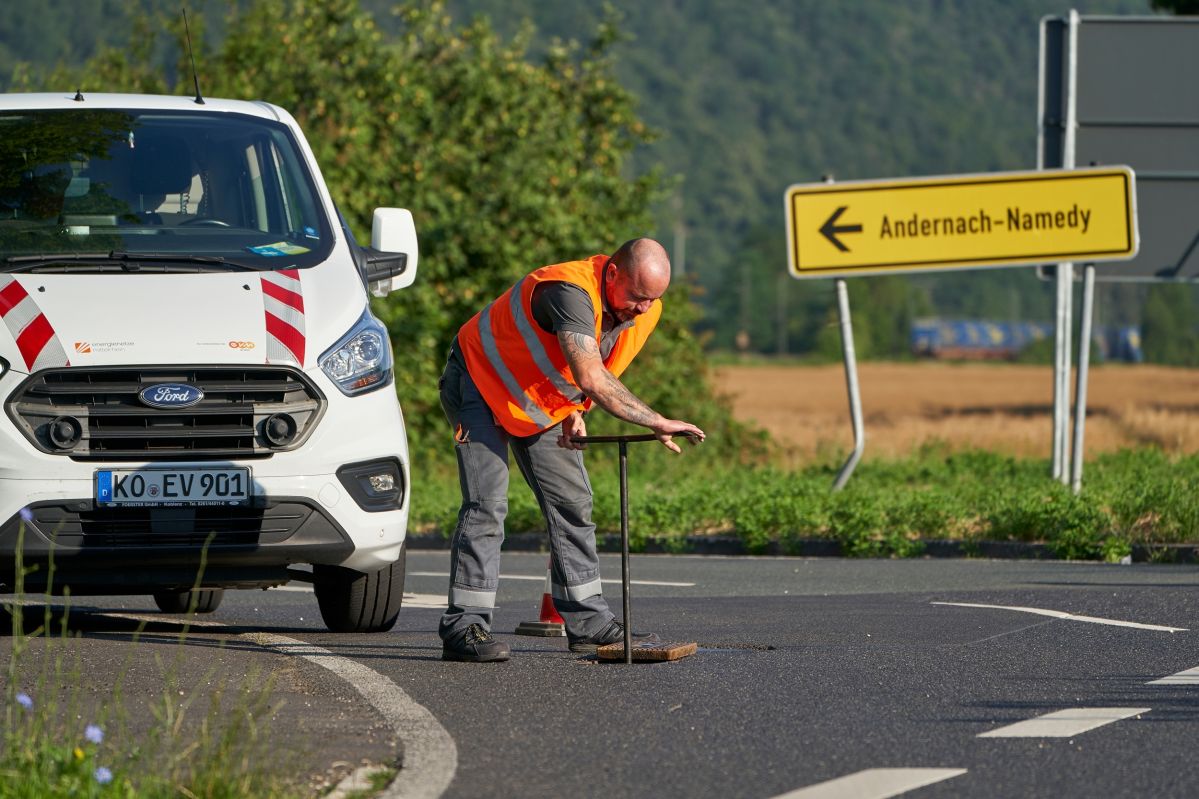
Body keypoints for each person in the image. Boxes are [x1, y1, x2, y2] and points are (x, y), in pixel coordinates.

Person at [438, 237, 705, 662]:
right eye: (637, 296)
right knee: (487, 504)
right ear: (612, 273)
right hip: (479, 382)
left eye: (653, 299)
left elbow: (599, 363)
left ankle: (588, 623)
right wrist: (655, 419)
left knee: (572, 502)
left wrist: (575, 407)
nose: (643, 308)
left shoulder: (645, 307)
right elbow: (591, 374)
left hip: (539, 402)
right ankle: (465, 625)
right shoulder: (567, 290)